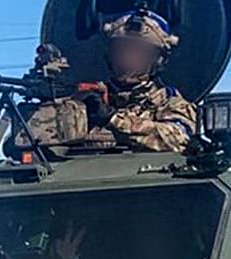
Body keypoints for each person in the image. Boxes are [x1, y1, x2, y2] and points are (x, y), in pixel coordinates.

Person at [24, 10, 197, 153]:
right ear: (109, 53)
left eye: (139, 52)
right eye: (121, 49)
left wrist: (111, 118)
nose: (128, 58)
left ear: (158, 61)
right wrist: (67, 111)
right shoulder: (88, 96)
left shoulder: (170, 102)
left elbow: (178, 140)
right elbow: (26, 142)